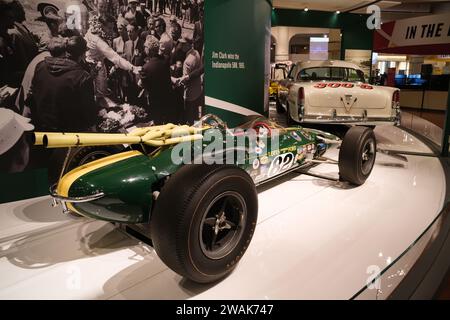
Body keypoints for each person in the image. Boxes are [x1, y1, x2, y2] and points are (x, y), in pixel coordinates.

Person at [29, 36, 98, 132]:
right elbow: (89, 111)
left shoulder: (41, 65)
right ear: (82, 55)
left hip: (41, 124)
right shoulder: (82, 77)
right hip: (66, 130)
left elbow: (33, 94)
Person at [84, 15, 141, 108]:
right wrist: (132, 67)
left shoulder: (92, 30)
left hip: (95, 66)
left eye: (112, 28)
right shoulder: (97, 40)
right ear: (101, 26)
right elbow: (114, 57)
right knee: (99, 96)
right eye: (109, 28)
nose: (111, 31)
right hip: (96, 70)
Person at [140, 35, 176, 124]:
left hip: (155, 102)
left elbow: (145, 86)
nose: (144, 49)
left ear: (149, 49)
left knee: (158, 124)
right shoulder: (165, 60)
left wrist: (140, 81)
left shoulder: (146, 68)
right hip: (168, 98)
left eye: (145, 47)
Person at [182, 36, 203, 124]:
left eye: (183, 44)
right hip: (197, 89)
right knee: (195, 113)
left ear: (188, 45)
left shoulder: (188, 61)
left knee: (189, 114)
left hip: (189, 92)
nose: (181, 45)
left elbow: (185, 79)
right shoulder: (196, 52)